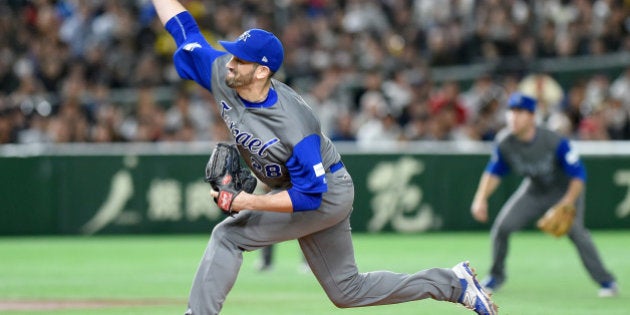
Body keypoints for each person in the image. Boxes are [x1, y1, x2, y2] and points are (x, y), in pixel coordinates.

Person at [150, 1, 498, 314]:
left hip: (324, 193)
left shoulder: (295, 125)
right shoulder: (222, 74)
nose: (231, 61)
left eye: (241, 58)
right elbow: (184, 29)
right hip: (304, 187)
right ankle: (454, 283)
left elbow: (310, 194)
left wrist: (249, 202)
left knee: (228, 236)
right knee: (347, 291)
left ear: (261, 72)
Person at [470, 92, 618, 297]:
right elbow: (494, 172)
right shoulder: (505, 142)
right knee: (503, 227)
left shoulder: (554, 141)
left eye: (520, 112)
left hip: (565, 191)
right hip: (534, 190)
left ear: (532, 117)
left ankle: (607, 281)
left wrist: (566, 202)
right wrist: (480, 198)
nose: (513, 117)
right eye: (511, 111)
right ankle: (496, 276)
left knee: (577, 234)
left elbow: (578, 175)